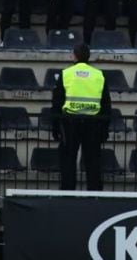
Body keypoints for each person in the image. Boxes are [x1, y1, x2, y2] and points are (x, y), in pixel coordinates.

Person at [51, 43, 112, 191]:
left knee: (68, 159)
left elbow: (57, 101)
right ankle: (95, 192)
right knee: (93, 160)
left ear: (74, 56)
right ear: (88, 56)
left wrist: (55, 126)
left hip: (69, 121)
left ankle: (67, 191)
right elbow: (106, 104)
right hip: (94, 122)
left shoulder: (66, 74)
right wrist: (105, 128)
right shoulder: (98, 75)